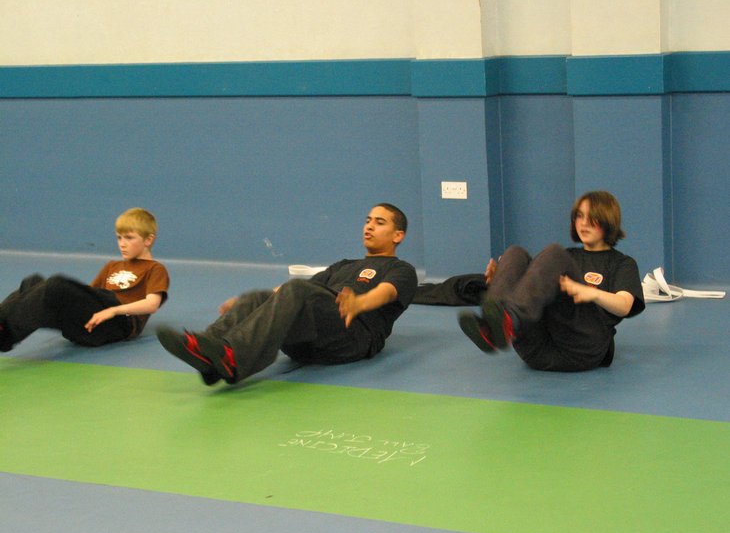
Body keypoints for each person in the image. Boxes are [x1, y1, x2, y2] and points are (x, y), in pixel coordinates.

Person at [157, 203, 418, 387]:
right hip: (309, 342)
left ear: (398, 235)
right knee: (259, 297)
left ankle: (233, 358)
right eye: (368, 220)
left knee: (297, 289)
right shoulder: (344, 265)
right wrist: (246, 304)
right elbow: (298, 293)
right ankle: (207, 352)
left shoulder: (402, 270)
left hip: (352, 337)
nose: (369, 227)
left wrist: (359, 303)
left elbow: (386, 293)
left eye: (379, 223)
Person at [458, 190, 645, 372]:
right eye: (579, 216)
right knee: (515, 253)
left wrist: (592, 293)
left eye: (592, 217)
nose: (583, 223)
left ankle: (508, 320)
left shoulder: (621, 263)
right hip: (536, 350)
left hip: (581, 350)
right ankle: (493, 328)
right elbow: (530, 292)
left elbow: (624, 305)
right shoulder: (566, 257)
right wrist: (501, 280)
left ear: (607, 220)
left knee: (555, 254)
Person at [0, 208, 169, 352]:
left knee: (55, 285)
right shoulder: (112, 266)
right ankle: (3, 331)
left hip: (119, 324)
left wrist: (113, 311)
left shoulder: (154, 269)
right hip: (91, 321)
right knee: (33, 282)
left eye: (129, 238)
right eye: (119, 238)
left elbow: (151, 304)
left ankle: (4, 332)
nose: (122, 244)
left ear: (148, 240)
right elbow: (88, 294)